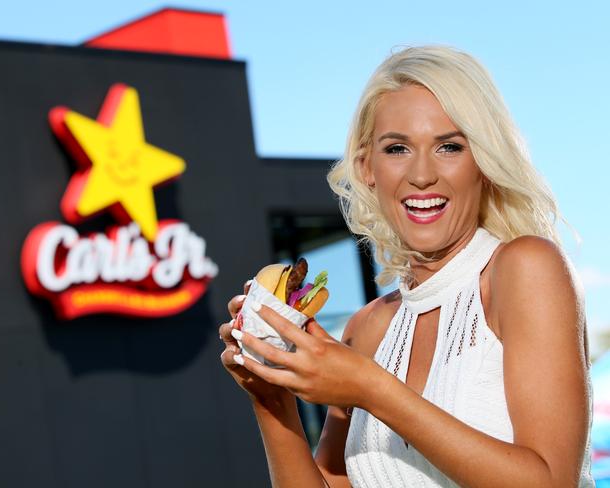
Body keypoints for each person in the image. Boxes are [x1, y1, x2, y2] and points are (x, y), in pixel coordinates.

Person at [219, 44, 594, 487]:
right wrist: (271, 397)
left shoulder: (524, 269)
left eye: (449, 147)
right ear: (367, 167)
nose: (421, 174)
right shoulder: (367, 329)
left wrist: (371, 389)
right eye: (397, 148)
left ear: (485, 162)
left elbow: (550, 482)